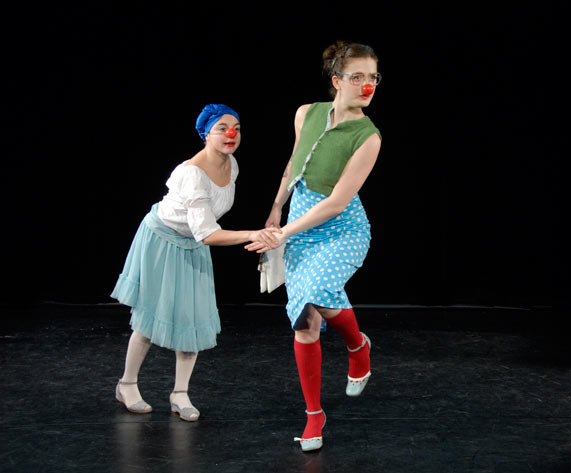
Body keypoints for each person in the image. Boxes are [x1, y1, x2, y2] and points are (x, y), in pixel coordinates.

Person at [246, 41, 382, 451]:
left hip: (341, 228)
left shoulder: (369, 137)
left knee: (320, 291)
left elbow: (337, 202)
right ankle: (313, 416)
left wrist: (284, 232)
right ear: (337, 80)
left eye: (373, 77)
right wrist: (276, 209)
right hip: (299, 224)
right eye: (357, 76)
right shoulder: (306, 113)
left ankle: (358, 346)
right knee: (305, 321)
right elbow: (294, 164)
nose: (367, 85)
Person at [111, 104, 279, 421]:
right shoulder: (191, 174)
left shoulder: (232, 164)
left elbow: (204, 231)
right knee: (150, 318)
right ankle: (127, 384)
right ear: (206, 134)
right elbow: (207, 233)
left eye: (236, 128)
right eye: (222, 128)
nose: (231, 134)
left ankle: (180, 393)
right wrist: (251, 233)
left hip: (193, 243)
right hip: (163, 241)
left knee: (194, 318)